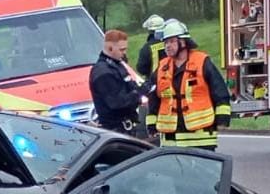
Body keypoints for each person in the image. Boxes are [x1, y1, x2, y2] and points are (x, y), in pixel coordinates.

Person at [146, 19, 231, 150]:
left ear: (183, 42)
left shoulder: (202, 62)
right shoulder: (162, 67)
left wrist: (222, 119)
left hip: (201, 138)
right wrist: (151, 125)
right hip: (171, 140)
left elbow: (220, 91)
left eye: (172, 41)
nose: (167, 46)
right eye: (166, 42)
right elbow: (153, 99)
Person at [89, 29, 143, 135]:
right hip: (115, 130)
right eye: (121, 50)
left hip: (126, 127)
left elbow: (130, 86)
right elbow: (117, 103)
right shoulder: (103, 72)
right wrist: (138, 93)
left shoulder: (116, 65)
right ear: (110, 48)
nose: (124, 53)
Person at [136, 14, 167, 84]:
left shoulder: (146, 48)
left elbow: (141, 69)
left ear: (149, 31)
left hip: (155, 84)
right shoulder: (171, 43)